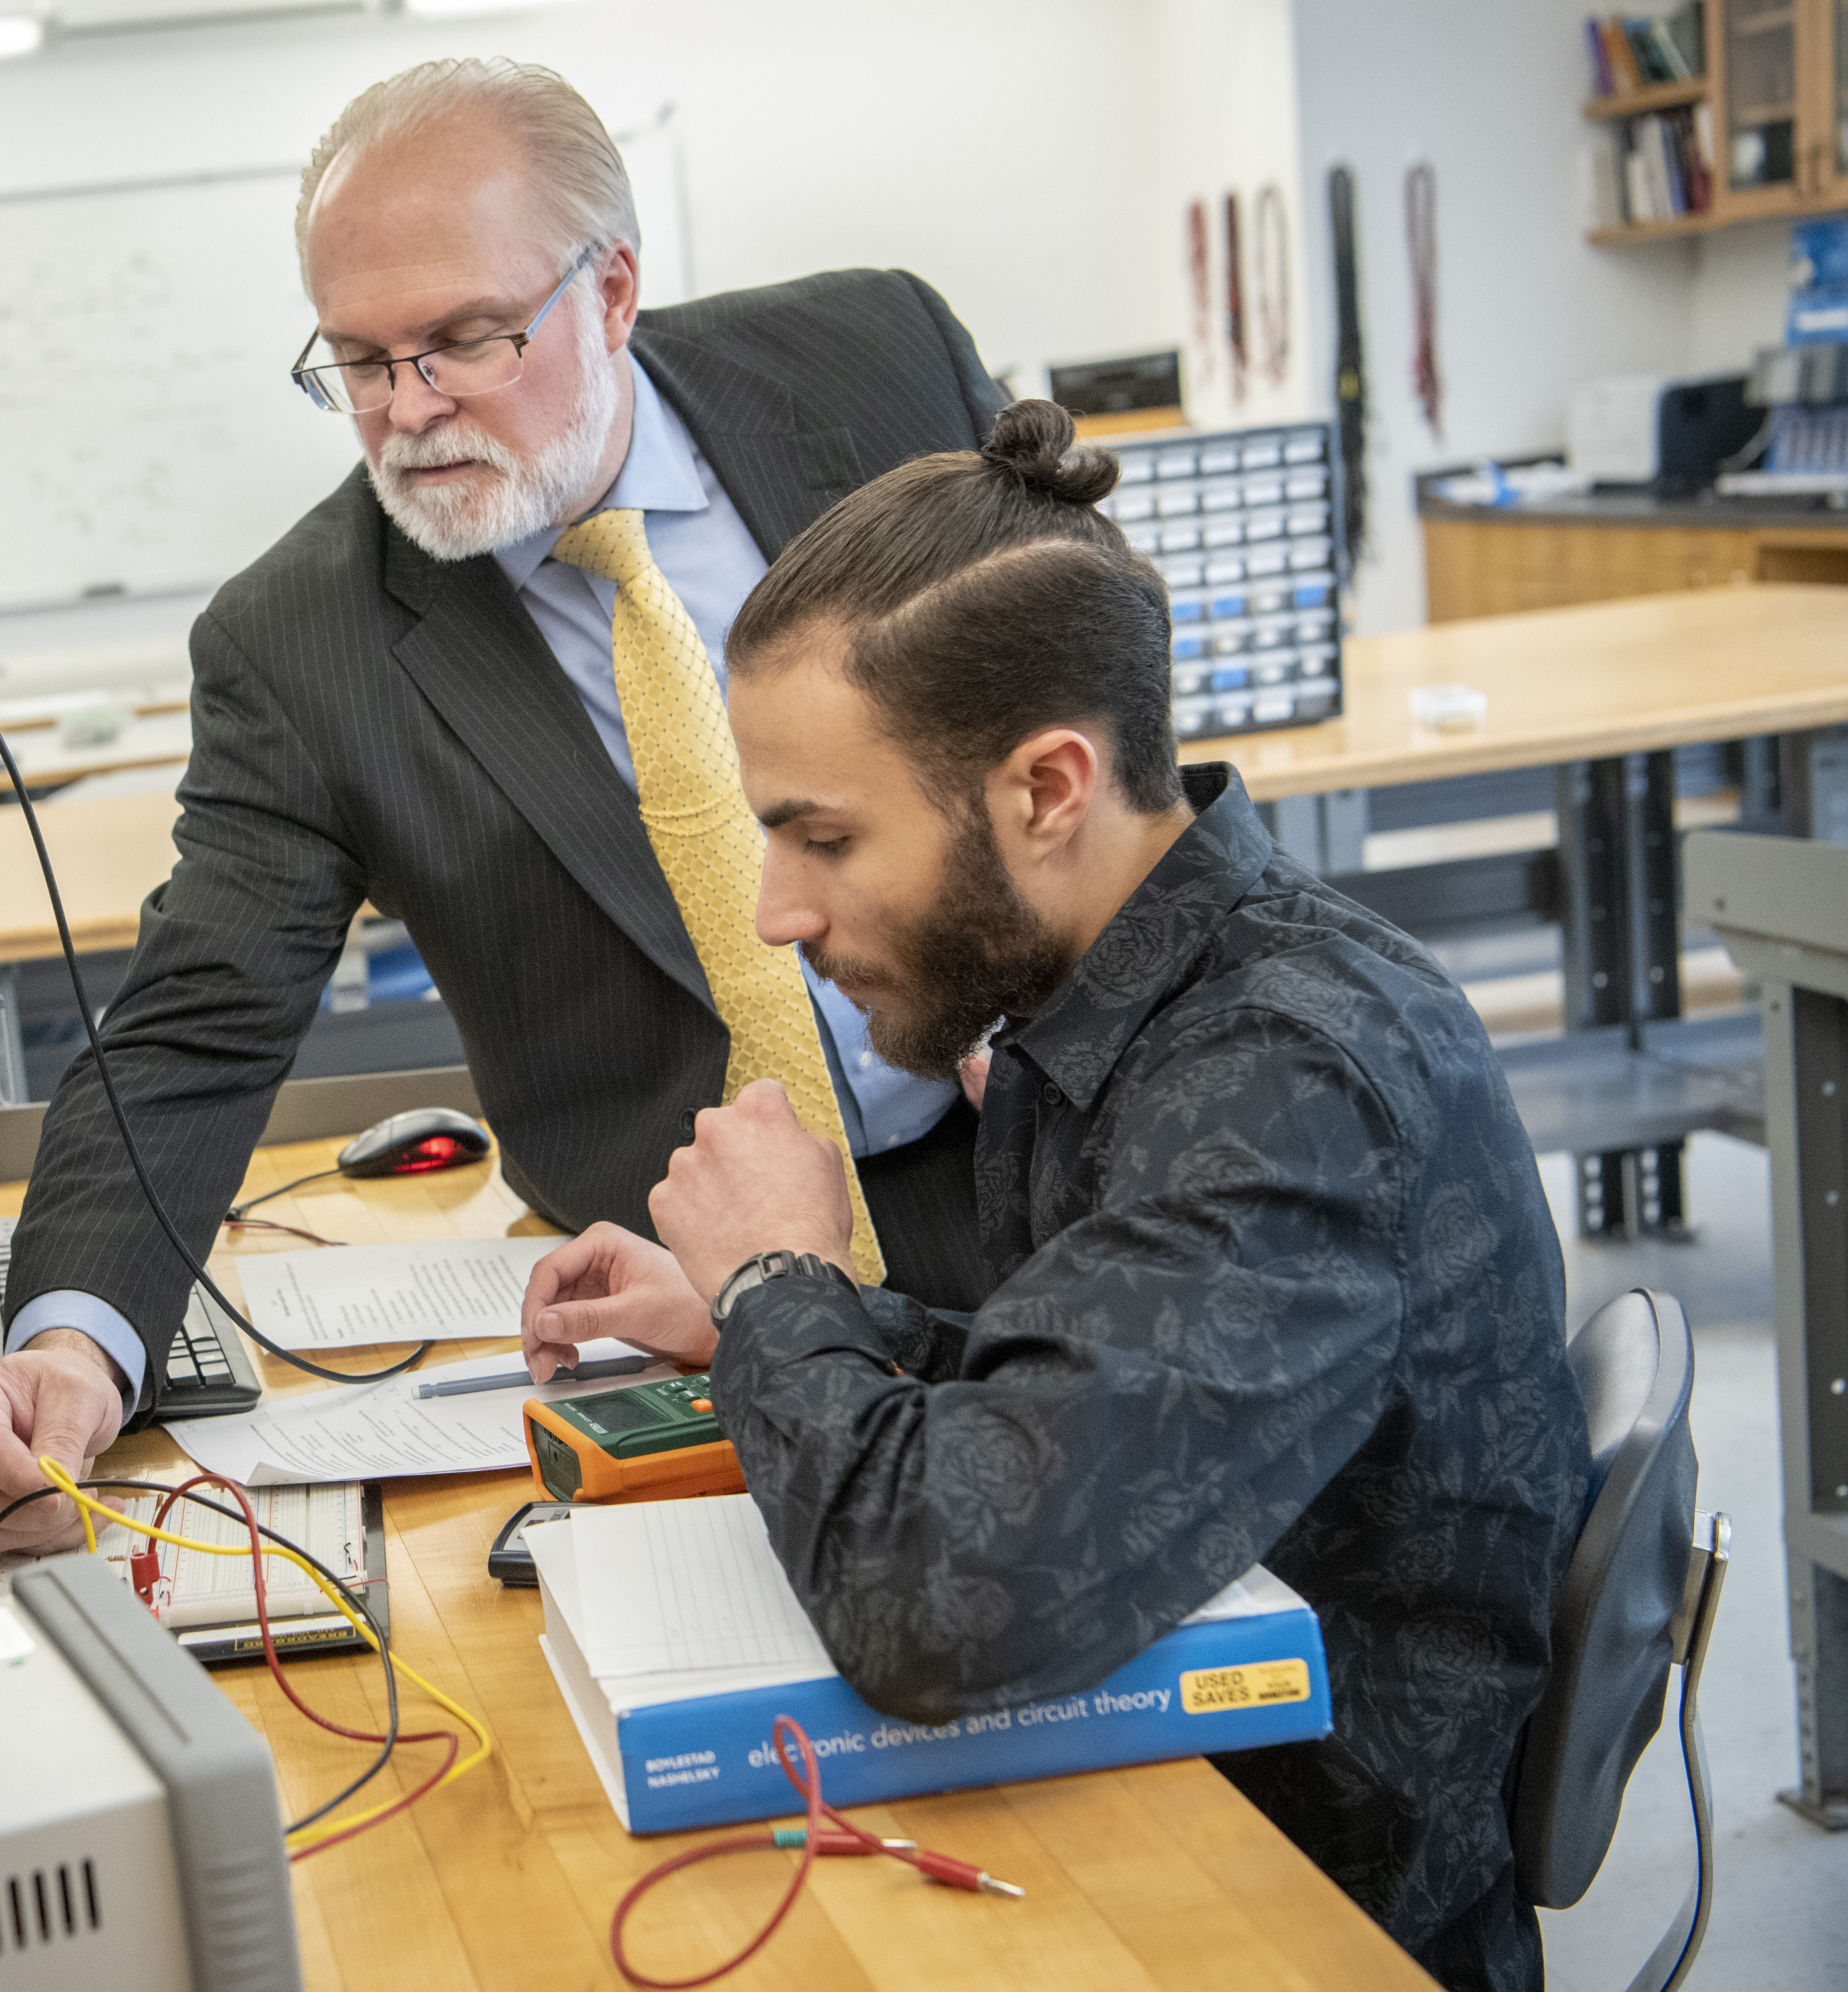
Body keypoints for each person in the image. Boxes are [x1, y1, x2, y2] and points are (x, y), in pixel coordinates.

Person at [514, 401, 1586, 1992]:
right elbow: (1107, 1401)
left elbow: (943, 1607)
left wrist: (776, 1290)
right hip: (1167, 1792)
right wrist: (794, 1328)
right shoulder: (1124, 1006)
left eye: (822, 836)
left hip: (1285, 1902)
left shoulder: (1280, 1076)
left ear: (1044, 789)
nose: (776, 910)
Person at [0, 58, 1009, 1546]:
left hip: (1043, 1152)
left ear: (611, 290)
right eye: (358, 363)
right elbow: (197, 1020)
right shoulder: (303, 640)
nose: (409, 412)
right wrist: (70, 1341)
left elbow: (1084, 702)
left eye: (463, 342)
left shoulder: (870, 362)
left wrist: (1081, 1011)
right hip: (673, 1287)